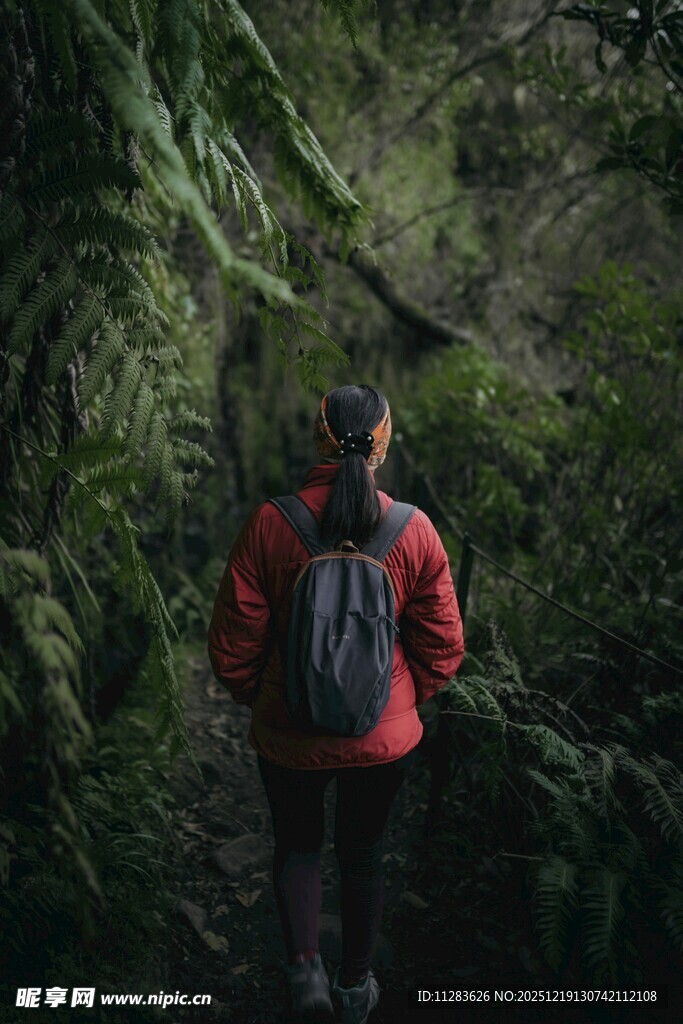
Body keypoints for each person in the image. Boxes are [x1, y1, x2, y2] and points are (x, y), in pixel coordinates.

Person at [207, 385, 465, 1024]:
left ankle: (305, 975)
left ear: (320, 439)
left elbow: (233, 642)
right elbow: (443, 646)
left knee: (297, 847)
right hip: (383, 740)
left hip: (290, 735)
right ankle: (355, 989)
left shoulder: (273, 522)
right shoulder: (413, 530)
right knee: (365, 853)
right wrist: (398, 702)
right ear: (382, 443)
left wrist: (267, 699)